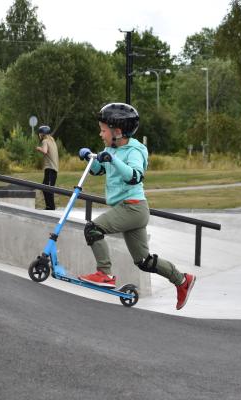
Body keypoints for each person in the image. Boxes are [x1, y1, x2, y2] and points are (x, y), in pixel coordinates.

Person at [77, 103, 196, 310]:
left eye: (103, 130)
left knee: (93, 228)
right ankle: (182, 280)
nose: (100, 134)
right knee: (144, 261)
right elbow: (99, 169)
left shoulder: (136, 150)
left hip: (133, 207)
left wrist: (112, 159)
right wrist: (89, 157)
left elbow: (134, 176)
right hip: (128, 209)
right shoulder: (110, 149)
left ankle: (104, 273)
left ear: (118, 132)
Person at [34, 125, 59, 210]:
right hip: (53, 169)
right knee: (46, 188)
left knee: (47, 189)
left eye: (39, 133)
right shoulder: (52, 140)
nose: (39, 135)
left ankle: (51, 207)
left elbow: (44, 151)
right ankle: (49, 206)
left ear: (42, 134)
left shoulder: (45, 141)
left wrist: (38, 148)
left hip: (50, 169)